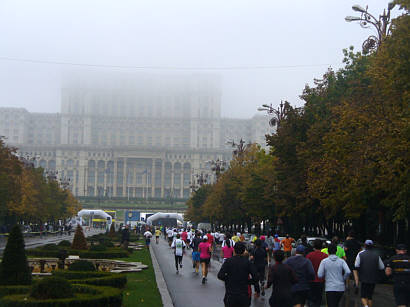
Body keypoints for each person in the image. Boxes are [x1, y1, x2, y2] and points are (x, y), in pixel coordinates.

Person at [217, 242, 258, 307]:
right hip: (243, 294)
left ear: (234, 250)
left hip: (230, 294)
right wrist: (247, 282)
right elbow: (256, 278)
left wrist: (229, 279)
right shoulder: (248, 263)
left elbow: (220, 275)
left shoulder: (228, 261)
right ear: (244, 251)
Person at [353, 239, 385, 307]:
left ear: (365, 245)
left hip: (364, 278)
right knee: (370, 296)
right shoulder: (376, 255)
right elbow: (382, 267)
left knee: (363, 296)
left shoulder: (360, 254)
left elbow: (356, 265)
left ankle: (366, 306)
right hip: (373, 279)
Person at [306, 239, 328, 307]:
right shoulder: (325, 256)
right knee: (319, 299)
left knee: (311, 299)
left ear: (314, 246)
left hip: (311, 280)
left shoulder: (309, 255)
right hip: (321, 281)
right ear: (322, 246)